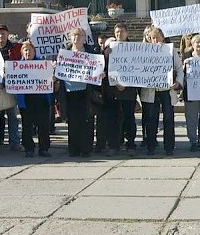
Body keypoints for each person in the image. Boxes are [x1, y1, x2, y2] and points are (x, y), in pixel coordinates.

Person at [139, 27, 183, 156]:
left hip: (167, 90)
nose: (155, 40)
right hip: (151, 90)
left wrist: (178, 83)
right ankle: (151, 146)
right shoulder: (145, 51)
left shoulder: (170, 50)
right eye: (153, 37)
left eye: (158, 37)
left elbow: (179, 68)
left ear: (163, 37)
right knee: (151, 119)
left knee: (168, 119)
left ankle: (169, 147)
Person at [103, 23, 139, 156]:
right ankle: (114, 145)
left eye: (122, 31)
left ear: (127, 33)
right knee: (114, 119)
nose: (119, 34)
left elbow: (137, 69)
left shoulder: (134, 48)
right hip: (113, 91)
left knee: (129, 118)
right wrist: (104, 54)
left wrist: (126, 84)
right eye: (117, 32)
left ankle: (131, 144)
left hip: (128, 91)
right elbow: (104, 68)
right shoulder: (109, 49)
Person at [15, 42, 52, 158]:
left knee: (43, 125)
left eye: (30, 50)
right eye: (25, 50)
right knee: (27, 125)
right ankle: (29, 148)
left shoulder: (43, 64)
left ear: (35, 52)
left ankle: (44, 148)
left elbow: (49, 78)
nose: (28, 52)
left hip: (42, 99)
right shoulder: (17, 66)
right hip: (26, 100)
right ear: (22, 53)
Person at [63, 28, 95, 157]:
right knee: (72, 122)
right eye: (74, 36)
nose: (77, 38)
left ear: (84, 38)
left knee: (86, 121)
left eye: (79, 36)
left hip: (85, 91)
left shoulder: (90, 52)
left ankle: (86, 148)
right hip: (69, 91)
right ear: (71, 38)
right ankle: (73, 149)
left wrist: (99, 74)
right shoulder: (65, 53)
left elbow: (97, 67)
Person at [0, 24, 22, 151]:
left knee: (12, 116)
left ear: (7, 35)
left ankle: (14, 142)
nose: (0, 36)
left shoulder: (15, 48)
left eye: (3, 33)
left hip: (11, 86)